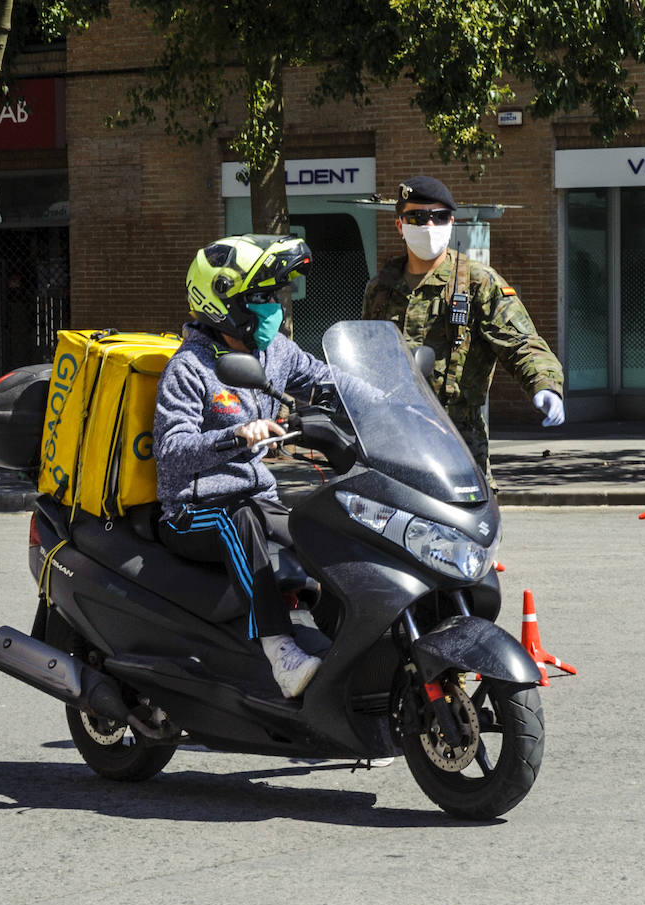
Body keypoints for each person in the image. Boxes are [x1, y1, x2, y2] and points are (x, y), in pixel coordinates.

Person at [153, 234, 330, 699]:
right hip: (193, 509)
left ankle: (349, 657)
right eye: (260, 298)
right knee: (244, 517)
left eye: (275, 296)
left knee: (324, 527)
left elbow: (328, 378)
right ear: (222, 302)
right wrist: (234, 435)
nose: (273, 307)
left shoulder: (275, 353)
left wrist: (389, 399)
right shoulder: (188, 368)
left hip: (256, 495)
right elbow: (171, 449)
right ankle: (280, 652)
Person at [362, 175, 565, 485]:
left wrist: (545, 384)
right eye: (417, 217)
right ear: (399, 225)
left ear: (451, 222)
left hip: (459, 441)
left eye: (439, 217)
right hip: (395, 440)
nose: (428, 226)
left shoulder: (476, 282)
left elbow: (521, 343)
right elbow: (365, 358)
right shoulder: (380, 289)